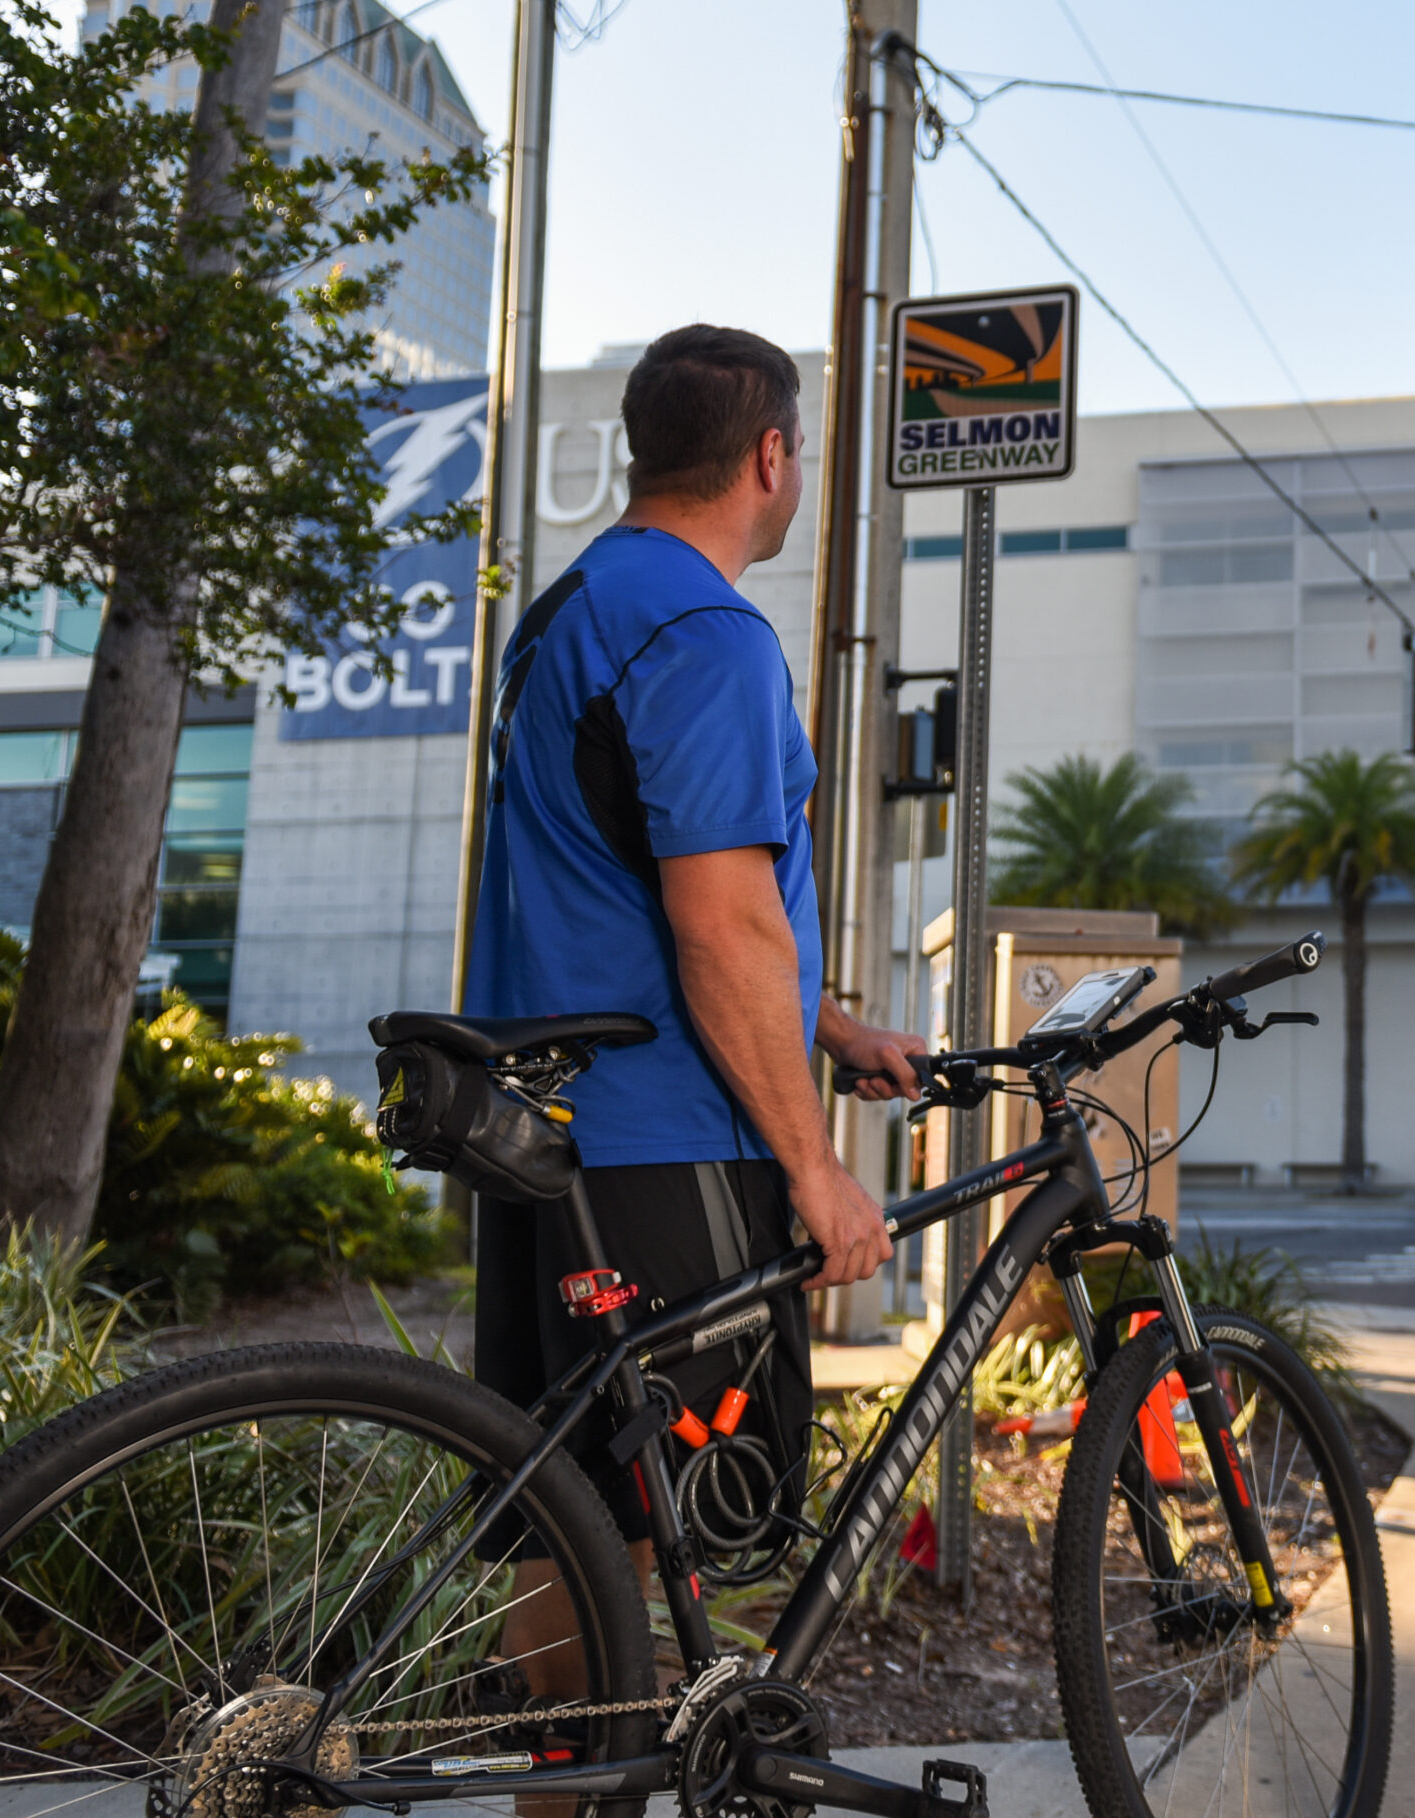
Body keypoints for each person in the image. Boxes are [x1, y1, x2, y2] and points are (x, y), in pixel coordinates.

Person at [467, 324, 926, 1717]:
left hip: (544, 1131)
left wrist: (826, 1021)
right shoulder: (710, 630)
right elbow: (718, 924)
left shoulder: (570, 608)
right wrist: (814, 1163)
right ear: (771, 456)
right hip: (668, 1139)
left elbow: (620, 875)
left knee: (570, 1510)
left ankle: (569, 1795)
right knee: (672, 1505)